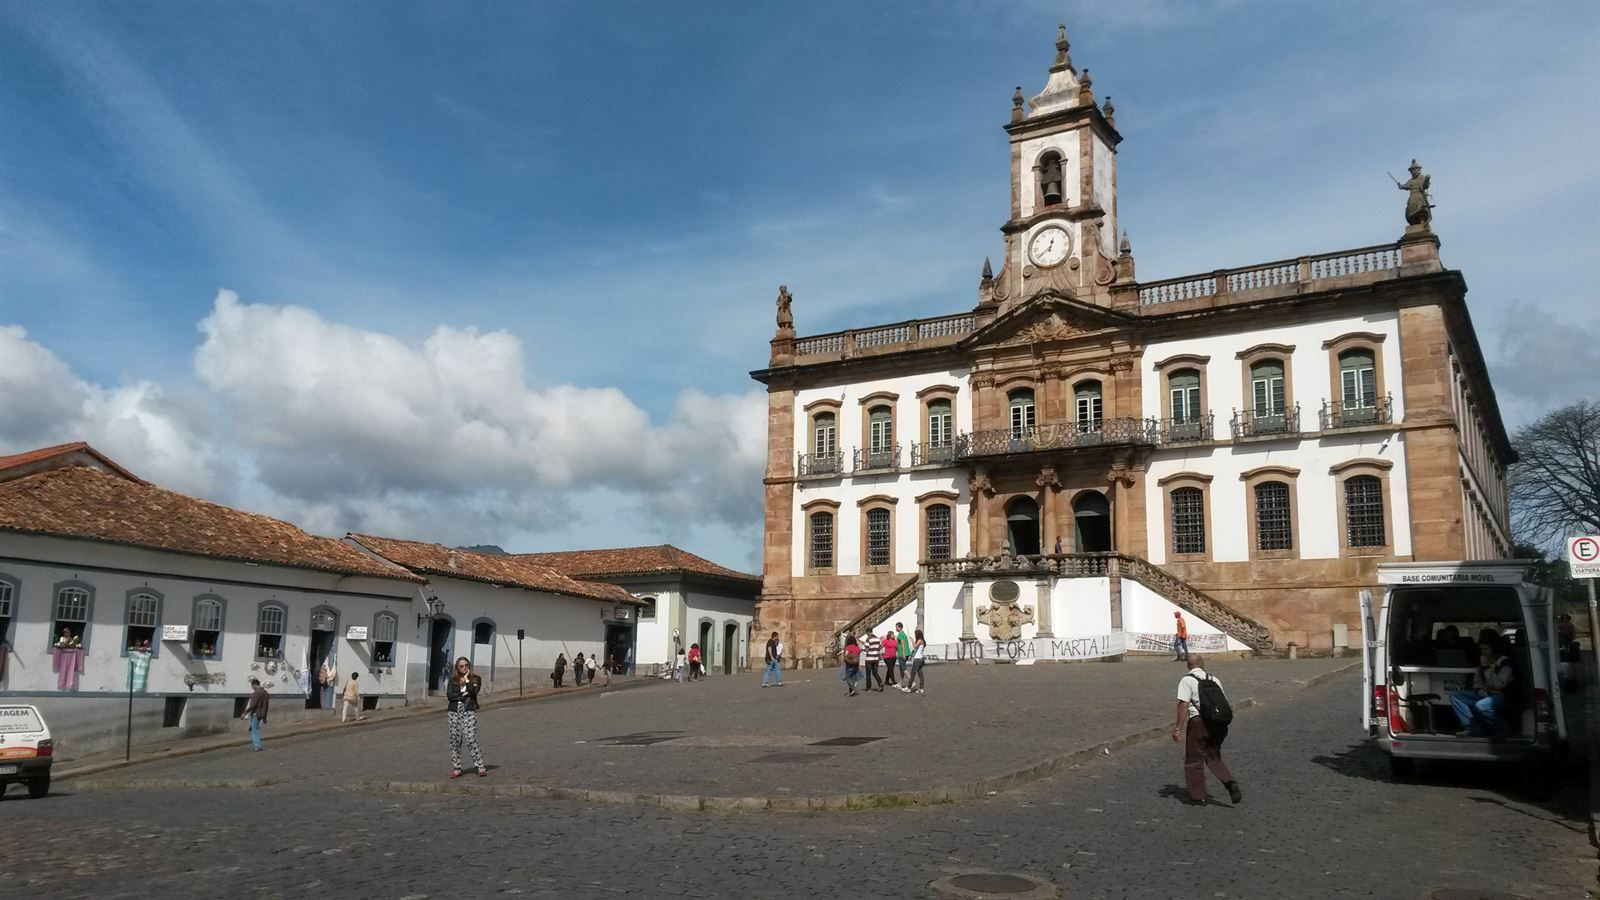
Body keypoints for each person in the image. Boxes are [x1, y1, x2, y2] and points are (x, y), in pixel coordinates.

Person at [1174, 654, 1241, 806]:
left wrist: (1178, 728)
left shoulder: (1187, 680)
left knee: (1194, 759)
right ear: (1202, 664)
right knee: (1213, 756)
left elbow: (1183, 705)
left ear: (1188, 666)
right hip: (1218, 724)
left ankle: (1197, 796)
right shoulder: (1214, 679)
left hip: (1199, 722)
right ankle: (1229, 782)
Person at [1451, 639, 1515, 738]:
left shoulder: (1505, 663)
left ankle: (1502, 728)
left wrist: (1487, 668)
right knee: (1456, 697)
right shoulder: (1481, 664)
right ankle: (1471, 728)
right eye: (1481, 649)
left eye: (1486, 649)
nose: (1483, 652)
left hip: (1502, 696)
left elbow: (1499, 685)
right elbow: (1477, 684)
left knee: (1481, 705)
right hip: (1486, 694)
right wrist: (1480, 690)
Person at [446, 657, 486, 778]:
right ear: (457, 668)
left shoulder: (475, 678)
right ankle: (457, 768)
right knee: (455, 740)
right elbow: (449, 695)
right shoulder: (453, 680)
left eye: (466, 665)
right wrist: (462, 695)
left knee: (470, 738)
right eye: (461, 666)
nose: (464, 668)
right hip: (454, 712)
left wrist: (467, 682)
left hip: (469, 711)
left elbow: (474, 690)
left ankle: (480, 766)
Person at [242, 677, 270, 751]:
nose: (252, 688)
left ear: (254, 685)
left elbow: (253, 704)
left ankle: (257, 745)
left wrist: (245, 713)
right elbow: (266, 705)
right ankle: (256, 744)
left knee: (254, 729)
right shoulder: (265, 693)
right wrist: (264, 717)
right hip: (261, 713)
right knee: (252, 728)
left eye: (252, 686)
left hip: (255, 713)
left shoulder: (257, 692)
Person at [900, 629, 927, 694]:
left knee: (912, 674)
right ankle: (921, 688)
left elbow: (915, 646)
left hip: (917, 659)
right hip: (921, 659)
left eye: (915, 634)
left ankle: (908, 688)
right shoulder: (922, 640)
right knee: (920, 674)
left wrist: (911, 640)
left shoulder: (920, 640)